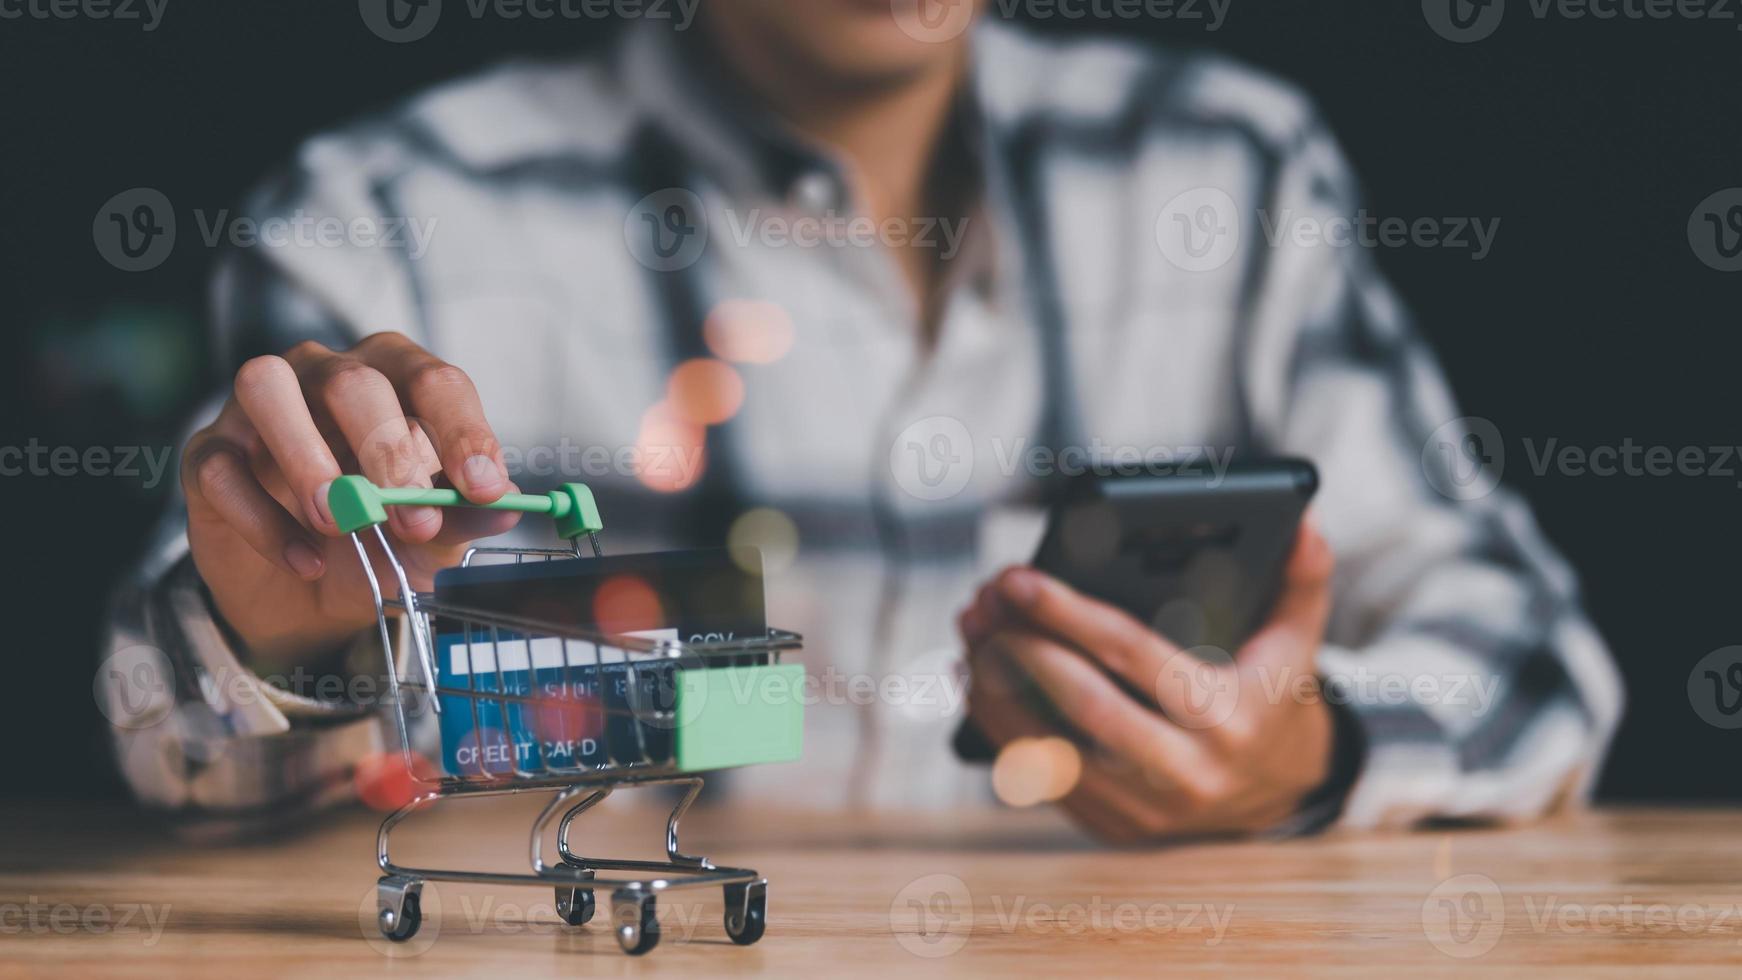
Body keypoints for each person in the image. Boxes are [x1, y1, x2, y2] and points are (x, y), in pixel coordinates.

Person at [104, 0, 1622, 841]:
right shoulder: (384, 217)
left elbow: (1531, 658)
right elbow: (181, 755)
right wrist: (293, 648)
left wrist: (1304, 749)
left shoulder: (1230, 168)